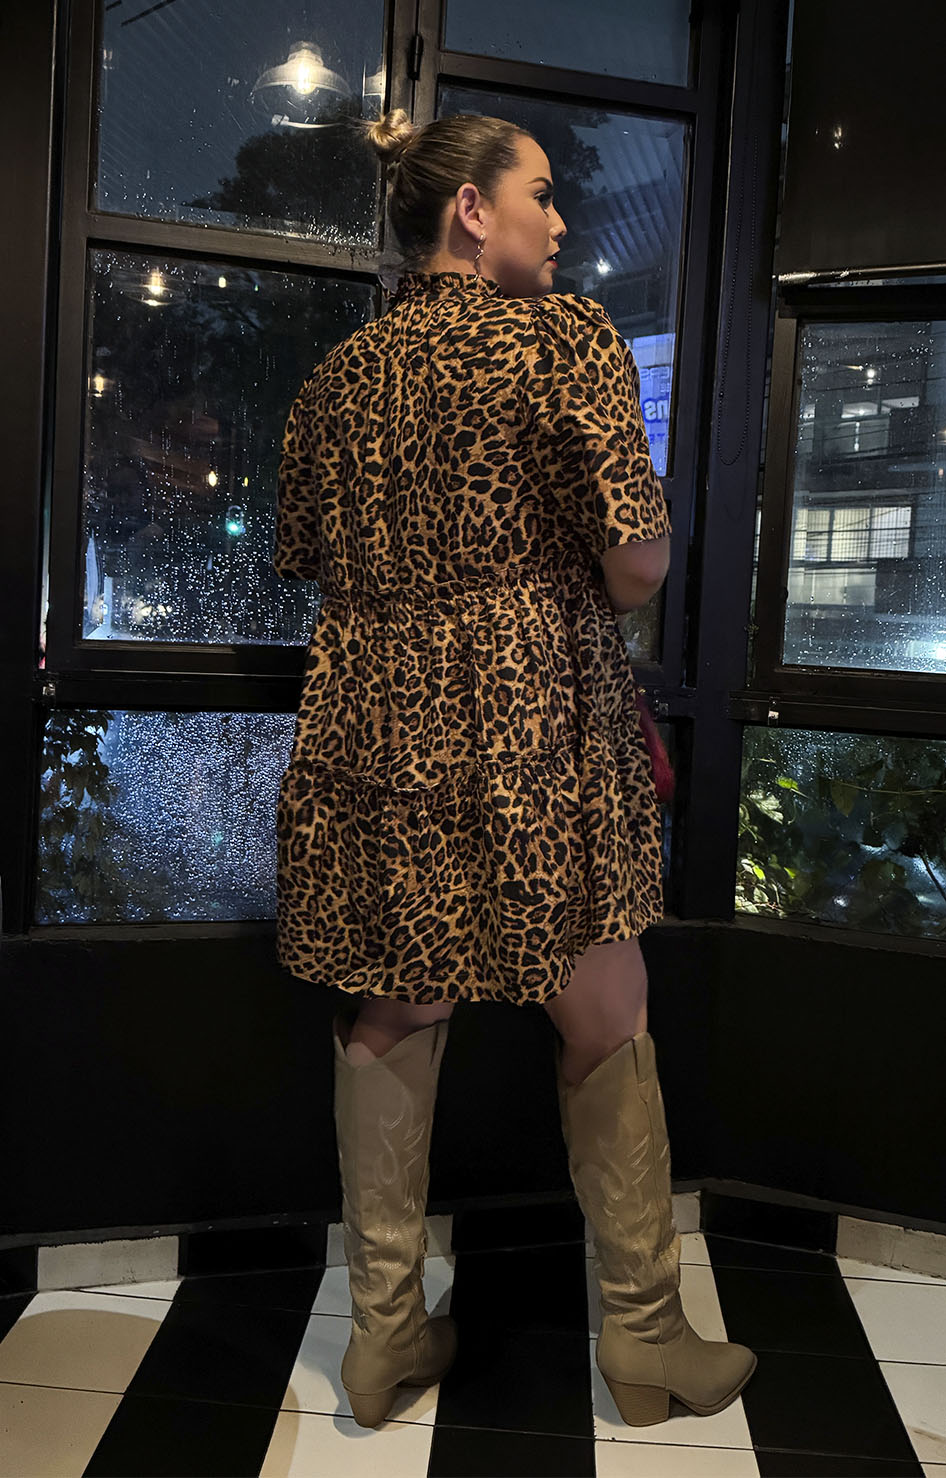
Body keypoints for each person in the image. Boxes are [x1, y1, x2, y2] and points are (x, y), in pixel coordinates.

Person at [273, 109, 757, 1431]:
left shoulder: (339, 376)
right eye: (538, 193)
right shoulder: (564, 338)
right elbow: (637, 562)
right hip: (530, 714)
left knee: (394, 1008)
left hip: (376, 722)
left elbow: (306, 550)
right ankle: (645, 1339)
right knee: (606, 1006)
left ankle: (382, 1342)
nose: (560, 218)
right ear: (471, 211)